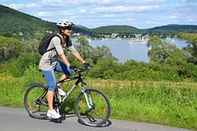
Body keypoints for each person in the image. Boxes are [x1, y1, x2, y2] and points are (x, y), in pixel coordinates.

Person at [39, 20, 86, 119]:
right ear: (61, 29)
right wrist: (68, 64)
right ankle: (51, 110)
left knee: (70, 72)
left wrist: (84, 62)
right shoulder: (56, 38)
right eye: (67, 28)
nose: (70, 30)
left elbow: (74, 51)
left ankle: (58, 87)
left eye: (70, 28)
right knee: (52, 84)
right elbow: (61, 54)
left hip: (54, 62)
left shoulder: (67, 39)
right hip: (46, 63)